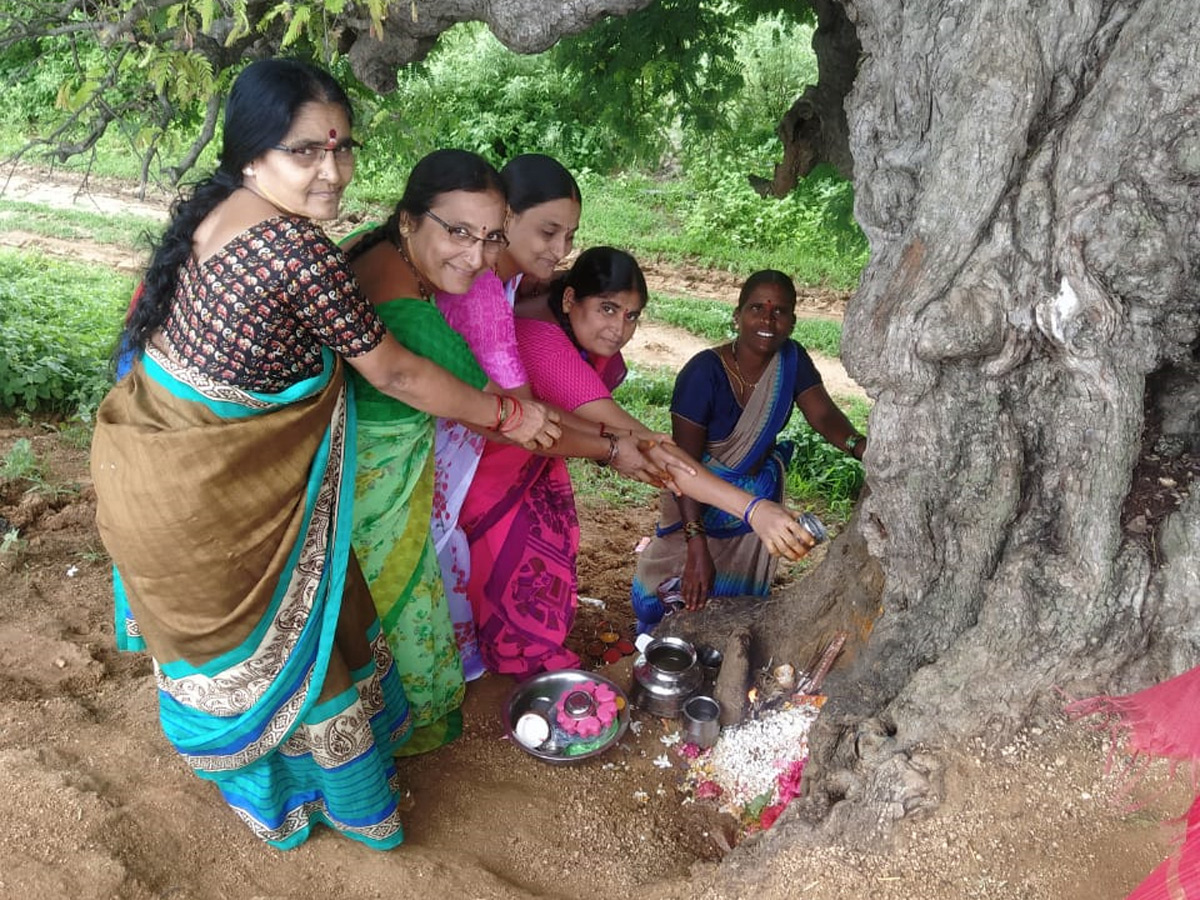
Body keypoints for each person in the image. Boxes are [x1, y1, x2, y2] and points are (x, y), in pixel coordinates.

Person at [89, 59, 559, 851]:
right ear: (253, 155)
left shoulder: (227, 210)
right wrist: (506, 413)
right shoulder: (294, 251)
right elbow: (397, 372)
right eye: (305, 151)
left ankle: (283, 792)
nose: (331, 169)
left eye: (340, 149)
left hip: (155, 465)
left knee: (282, 644)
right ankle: (327, 807)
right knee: (297, 650)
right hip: (214, 495)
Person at [458, 247, 817, 678]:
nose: (619, 330)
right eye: (608, 309)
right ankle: (499, 669)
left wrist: (614, 444)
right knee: (497, 574)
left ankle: (502, 655)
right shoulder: (546, 344)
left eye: (632, 316)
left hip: (528, 457)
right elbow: (648, 447)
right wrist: (753, 509)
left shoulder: (562, 328)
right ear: (570, 299)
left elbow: (608, 435)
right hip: (488, 473)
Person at [630, 269, 867, 633]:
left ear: (793, 321)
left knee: (735, 601)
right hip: (696, 496)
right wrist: (697, 546)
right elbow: (683, 466)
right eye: (757, 308)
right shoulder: (703, 373)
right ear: (737, 316)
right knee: (661, 597)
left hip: (757, 504)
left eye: (780, 312)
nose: (768, 320)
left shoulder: (791, 360)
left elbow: (822, 413)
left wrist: (860, 447)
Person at [430, 153, 583, 680]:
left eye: (569, 236)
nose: (560, 250)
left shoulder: (507, 281)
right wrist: (611, 447)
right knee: (539, 488)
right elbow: (524, 418)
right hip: (450, 442)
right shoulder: (483, 291)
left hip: (471, 428)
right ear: (506, 217)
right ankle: (511, 641)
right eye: (548, 231)